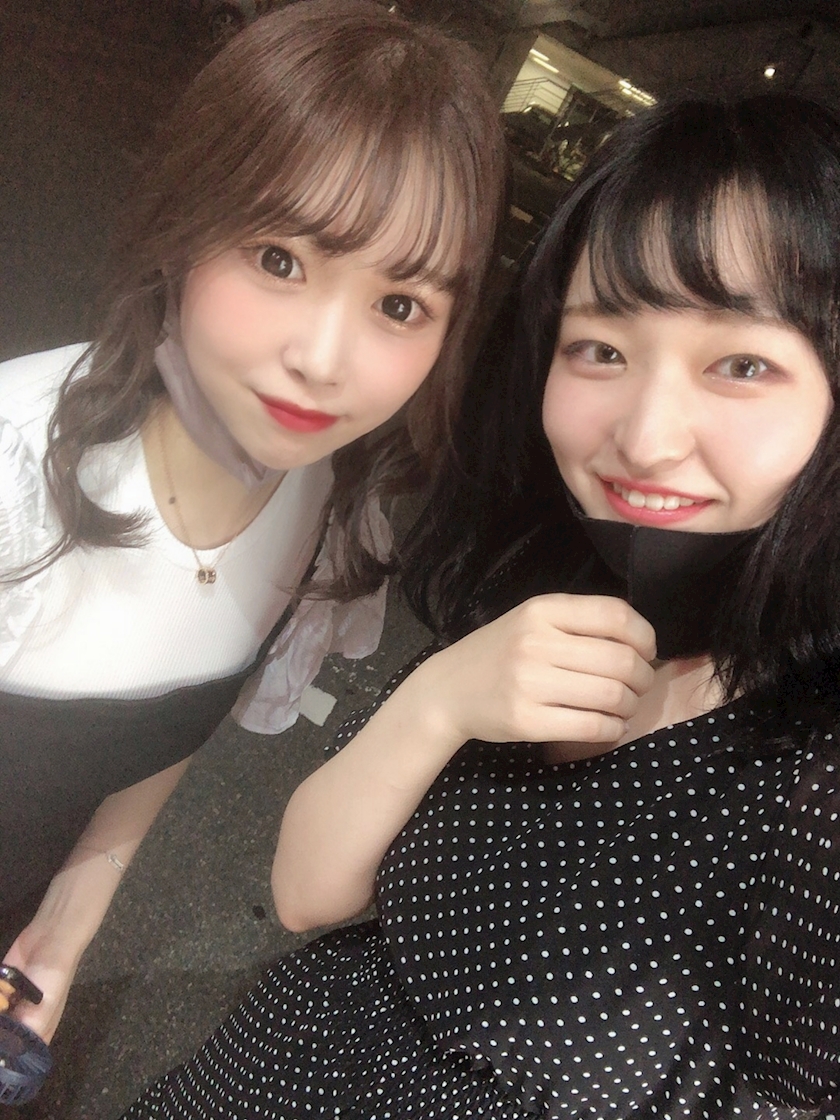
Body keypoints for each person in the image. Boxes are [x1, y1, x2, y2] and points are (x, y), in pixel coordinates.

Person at [121, 94, 840, 1119]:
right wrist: (440, 699)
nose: (644, 437)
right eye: (601, 349)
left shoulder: (811, 787)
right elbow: (304, 894)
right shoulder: (559, 585)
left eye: (742, 364)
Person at [0, 0, 506, 1045]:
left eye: (400, 305)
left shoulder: (327, 506)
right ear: (186, 223)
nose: (323, 361)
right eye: (280, 258)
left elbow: (160, 730)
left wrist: (60, 937)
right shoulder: (15, 470)